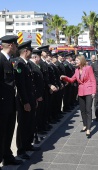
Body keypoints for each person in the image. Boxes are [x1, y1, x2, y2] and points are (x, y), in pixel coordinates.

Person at [14, 40, 40, 160]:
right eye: (31, 51)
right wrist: (25, 102)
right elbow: (21, 85)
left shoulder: (27, 64)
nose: (32, 53)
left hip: (31, 98)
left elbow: (31, 84)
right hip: (24, 101)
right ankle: (21, 149)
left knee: (30, 122)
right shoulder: (19, 63)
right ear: (26, 51)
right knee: (23, 124)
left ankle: (28, 144)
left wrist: (33, 99)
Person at [0, 35, 23, 167]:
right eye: (16, 45)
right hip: (2, 105)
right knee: (1, 133)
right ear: (11, 45)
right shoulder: (1, 59)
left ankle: (7, 156)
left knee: (9, 132)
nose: (16, 48)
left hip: (9, 103)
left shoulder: (8, 60)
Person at [60, 55, 96, 138]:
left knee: (88, 110)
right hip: (80, 91)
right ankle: (85, 124)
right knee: (82, 110)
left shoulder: (88, 68)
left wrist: (93, 92)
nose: (75, 62)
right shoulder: (76, 70)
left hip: (89, 91)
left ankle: (89, 128)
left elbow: (93, 80)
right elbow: (72, 80)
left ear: (81, 61)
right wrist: (64, 77)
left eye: (77, 60)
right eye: (75, 60)